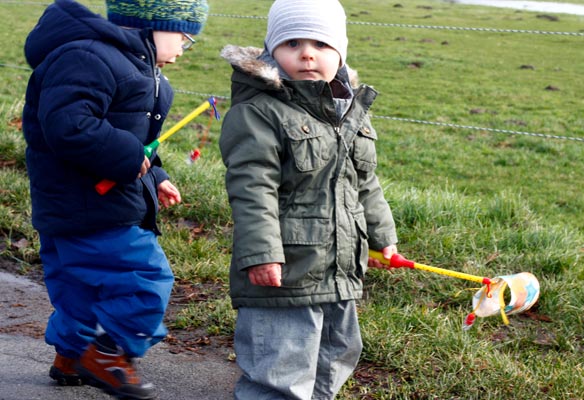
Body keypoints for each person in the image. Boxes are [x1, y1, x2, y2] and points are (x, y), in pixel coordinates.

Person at [22, 0, 208, 399]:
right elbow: (70, 125)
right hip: (92, 206)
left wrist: (154, 174)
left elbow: (137, 142)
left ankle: (71, 356)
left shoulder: (136, 67)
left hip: (79, 205)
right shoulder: (89, 58)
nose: (180, 52)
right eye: (183, 37)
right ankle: (107, 353)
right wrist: (128, 158)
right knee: (145, 279)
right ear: (151, 25)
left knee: (80, 288)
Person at [219, 0, 399, 398]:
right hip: (286, 269)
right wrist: (262, 253)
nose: (306, 53)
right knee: (280, 366)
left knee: (335, 357)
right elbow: (252, 188)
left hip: (340, 269)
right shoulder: (258, 113)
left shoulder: (348, 112)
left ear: (340, 52)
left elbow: (364, 181)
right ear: (271, 51)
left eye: (321, 43)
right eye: (292, 42)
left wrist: (382, 236)